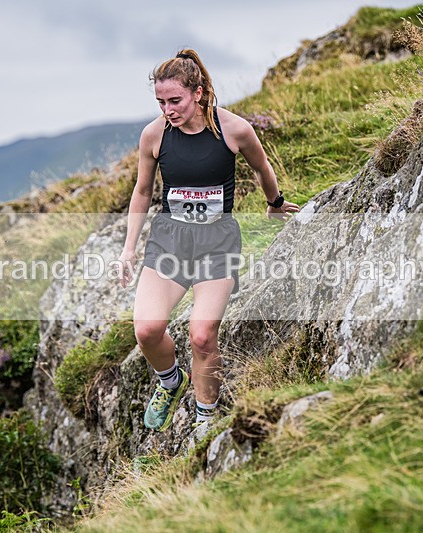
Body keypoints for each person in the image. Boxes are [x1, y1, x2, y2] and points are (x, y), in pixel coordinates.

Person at [118, 48, 299, 432]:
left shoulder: (234, 129)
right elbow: (142, 191)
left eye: (175, 100)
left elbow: (262, 166)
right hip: (169, 241)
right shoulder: (154, 135)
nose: (167, 110)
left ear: (197, 93)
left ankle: (204, 422)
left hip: (217, 244)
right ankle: (171, 381)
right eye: (161, 102)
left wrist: (275, 203)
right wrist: (129, 248)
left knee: (202, 336)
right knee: (147, 330)